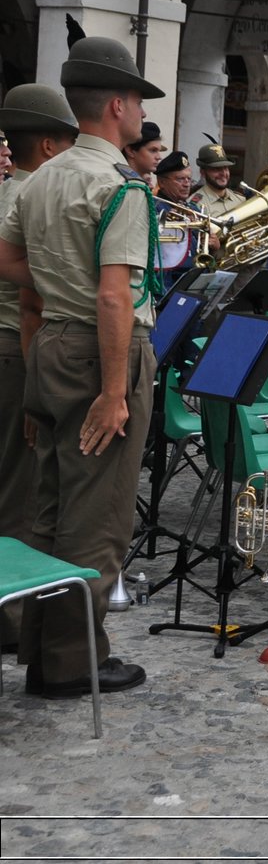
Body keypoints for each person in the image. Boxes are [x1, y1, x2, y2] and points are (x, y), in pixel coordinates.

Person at [0, 37, 161, 697]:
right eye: (138, 106)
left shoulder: (40, 179)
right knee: (96, 515)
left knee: (50, 502)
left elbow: (12, 267)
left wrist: (52, 291)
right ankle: (71, 663)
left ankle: (41, 647)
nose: (141, 119)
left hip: (49, 342)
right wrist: (117, 390)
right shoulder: (115, 183)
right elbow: (115, 293)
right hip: (101, 350)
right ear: (117, 105)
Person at [0, 86, 78, 649]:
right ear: (49, 145)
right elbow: (34, 303)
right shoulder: (37, 198)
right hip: (18, 349)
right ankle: (13, 621)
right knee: (21, 492)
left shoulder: (7, 191)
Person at [150, 150, 201, 296]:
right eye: (180, 179)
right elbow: (155, 240)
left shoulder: (193, 208)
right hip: (167, 284)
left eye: (189, 179)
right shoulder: (155, 206)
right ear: (162, 182)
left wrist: (212, 243)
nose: (186, 184)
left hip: (193, 281)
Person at [193, 142, 246, 219]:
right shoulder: (196, 205)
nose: (224, 173)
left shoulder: (240, 200)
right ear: (203, 173)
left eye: (226, 168)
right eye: (216, 169)